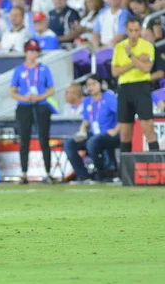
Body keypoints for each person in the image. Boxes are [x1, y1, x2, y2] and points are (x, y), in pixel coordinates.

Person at [10, 39, 56, 184]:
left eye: (35, 51)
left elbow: (51, 89)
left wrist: (39, 97)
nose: (33, 54)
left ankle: (48, 173)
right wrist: (24, 98)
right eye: (30, 51)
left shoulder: (44, 68)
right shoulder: (19, 70)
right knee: (24, 140)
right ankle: (24, 174)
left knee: (44, 138)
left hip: (41, 105)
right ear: (25, 52)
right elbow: (12, 91)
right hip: (24, 107)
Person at [111, 17, 159, 156]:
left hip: (141, 87)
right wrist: (135, 61)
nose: (134, 34)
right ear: (126, 31)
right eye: (131, 30)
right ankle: (125, 173)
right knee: (125, 132)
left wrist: (131, 56)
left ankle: (157, 167)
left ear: (140, 31)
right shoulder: (120, 47)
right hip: (124, 88)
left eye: (136, 30)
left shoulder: (147, 46)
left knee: (148, 127)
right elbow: (115, 71)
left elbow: (146, 68)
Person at [64, 75, 119, 183]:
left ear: (101, 85)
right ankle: (84, 176)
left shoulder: (109, 98)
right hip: (93, 134)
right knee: (69, 143)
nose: (90, 87)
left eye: (93, 84)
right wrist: (82, 131)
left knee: (92, 142)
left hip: (110, 134)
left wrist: (116, 130)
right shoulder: (87, 101)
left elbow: (123, 115)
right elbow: (86, 120)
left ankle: (101, 173)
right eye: (88, 85)